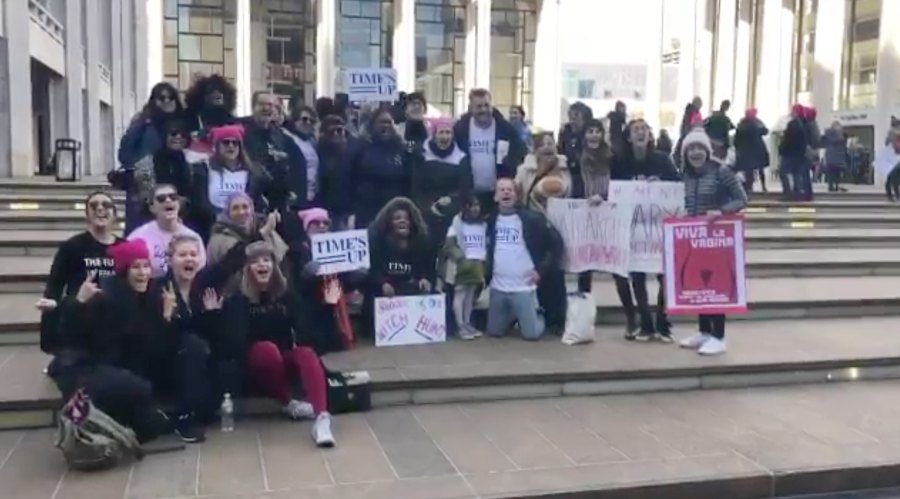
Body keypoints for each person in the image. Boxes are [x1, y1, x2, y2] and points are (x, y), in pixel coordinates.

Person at [53, 238, 212, 443]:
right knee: (148, 422)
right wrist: (79, 302)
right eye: (136, 267)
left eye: (146, 266)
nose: (143, 272)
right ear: (124, 271)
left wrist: (166, 317)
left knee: (192, 345)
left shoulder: (154, 293)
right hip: (108, 369)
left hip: (141, 368)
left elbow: (158, 346)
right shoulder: (107, 298)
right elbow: (71, 335)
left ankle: (184, 417)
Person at [217, 241, 335, 447]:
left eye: (266, 260)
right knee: (267, 351)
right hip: (253, 366)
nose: (262, 265)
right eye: (255, 261)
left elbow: (307, 332)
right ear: (247, 268)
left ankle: (322, 419)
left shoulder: (285, 294)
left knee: (306, 353)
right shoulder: (238, 299)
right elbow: (234, 344)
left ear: (274, 265)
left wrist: (327, 308)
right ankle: (287, 401)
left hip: (282, 359)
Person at [677, 128, 747, 356]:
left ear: (707, 150)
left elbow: (741, 199)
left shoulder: (721, 171)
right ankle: (704, 331)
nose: (695, 153)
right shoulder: (684, 175)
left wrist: (721, 211)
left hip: (718, 239)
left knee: (717, 284)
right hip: (692, 239)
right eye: (691, 149)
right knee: (699, 284)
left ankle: (719, 336)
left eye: (699, 148)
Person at [611, 119, 681, 340]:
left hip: (659, 228)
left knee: (665, 276)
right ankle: (645, 323)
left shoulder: (662, 159)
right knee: (637, 275)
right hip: (632, 228)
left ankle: (663, 321)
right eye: (635, 130)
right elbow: (614, 189)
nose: (641, 133)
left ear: (650, 136)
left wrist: (659, 182)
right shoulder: (619, 162)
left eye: (644, 129)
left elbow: (677, 185)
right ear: (629, 137)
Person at [37, 192, 122, 356]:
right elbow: (55, 284)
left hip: (115, 320)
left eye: (106, 205)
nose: (100, 208)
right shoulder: (72, 246)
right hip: (81, 318)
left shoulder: (125, 247)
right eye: (93, 205)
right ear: (87, 215)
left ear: (114, 214)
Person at [485, 178, 563, 341]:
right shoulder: (490, 221)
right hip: (498, 286)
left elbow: (556, 244)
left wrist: (541, 270)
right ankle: (514, 314)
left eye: (510, 190)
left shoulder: (533, 219)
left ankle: (537, 311)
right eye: (502, 190)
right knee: (494, 332)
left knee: (531, 334)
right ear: (495, 197)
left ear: (516, 196)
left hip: (523, 286)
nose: (506, 192)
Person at [114, 83, 185, 234]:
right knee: (140, 234)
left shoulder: (183, 122)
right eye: (161, 97)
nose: (167, 101)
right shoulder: (143, 122)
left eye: (171, 97)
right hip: (145, 188)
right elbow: (125, 153)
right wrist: (140, 168)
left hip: (175, 185)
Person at [287, 208, 356, 354]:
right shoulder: (296, 250)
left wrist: (356, 274)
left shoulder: (337, 248)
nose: (322, 226)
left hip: (332, 309)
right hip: (308, 312)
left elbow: (345, 283)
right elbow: (291, 284)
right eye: (316, 223)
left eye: (325, 223)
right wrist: (304, 275)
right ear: (307, 227)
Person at [189, 124, 271, 240]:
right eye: (226, 142)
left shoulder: (253, 172)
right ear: (217, 146)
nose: (231, 146)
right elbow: (199, 201)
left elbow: (255, 200)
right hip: (210, 226)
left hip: (244, 226)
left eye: (235, 143)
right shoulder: (203, 169)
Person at [411, 117, 473, 261]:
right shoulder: (421, 154)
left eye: (448, 132)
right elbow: (416, 185)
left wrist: (451, 200)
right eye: (441, 133)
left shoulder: (461, 158)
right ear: (434, 134)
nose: (445, 137)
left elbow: (465, 188)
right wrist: (427, 206)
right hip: (425, 211)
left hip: (451, 212)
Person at [453, 89, 527, 209]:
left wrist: (509, 163)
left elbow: (521, 152)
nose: (483, 110)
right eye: (479, 106)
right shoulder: (461, 128)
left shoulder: (504, 128)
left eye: (486, 105)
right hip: (470, 194)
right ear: (471, 108)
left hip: (498, 194)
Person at [206, 192, 288, 295]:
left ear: (252, 209)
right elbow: (234, 262)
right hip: (234, 296)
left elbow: (282, 260)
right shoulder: (219, 239)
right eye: (235, 208)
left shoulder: (266, 229)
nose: (241, 212)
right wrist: (262, 234)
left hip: (271, 294)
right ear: (227, 213)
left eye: (245, 207)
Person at [348, 107, 412, 228]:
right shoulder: (360, 147)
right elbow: (350, 176)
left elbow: (407, 179)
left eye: (389, 122)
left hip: (394, 209)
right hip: (367, 210)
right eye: (382, 122)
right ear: (373, 124)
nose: (386, 125)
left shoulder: (400, 148)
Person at [571, 119, 614, 293]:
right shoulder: (576, 159)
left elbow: (618, 184)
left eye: (598, 131)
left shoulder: (612, 158)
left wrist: (603, 197)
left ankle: (631, 315)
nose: (594, 135)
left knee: (616, 266)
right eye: (590, 131)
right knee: (585, 266)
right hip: (585, 211)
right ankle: (584, 304)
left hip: (608, 214)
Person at [128, 184, 207, 278]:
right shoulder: (138, 236)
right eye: (161, 199)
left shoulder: (194, 237)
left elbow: (200, 270)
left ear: (178, 204)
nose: (168, 200)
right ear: (152, 208)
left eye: (173, 197)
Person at [441, 195, 487, 340]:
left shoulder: (483, 224)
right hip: (460, 265)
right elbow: (450, 245)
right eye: (472, 205)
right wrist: (460, 258)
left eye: (477, 205)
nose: (475, 209)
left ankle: (467, 323)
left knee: (470, 295)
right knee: (460, 295)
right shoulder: (456, 224)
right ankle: (459, 325)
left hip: (477, 262)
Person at [515, 132, 572, 215]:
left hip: (561, 218)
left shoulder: (567, 167)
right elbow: (518, 197)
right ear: (535, 150)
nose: (547, 147)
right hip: (535, 219)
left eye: (550, 144)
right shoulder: (524, 170)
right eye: (541, 145)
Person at [282, 104, 321, 210]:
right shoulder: (287, 139)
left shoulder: (313, 142)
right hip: (296, 199)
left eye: (311, 121)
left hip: (312, 197)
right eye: (304, 119)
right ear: (295, 121)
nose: (308, 123)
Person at [316, 115, 352, 228]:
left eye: (340, 130)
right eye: (332, 131)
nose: (336, 134)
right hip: (324, 207)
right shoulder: (318, 152)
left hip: (345, 207)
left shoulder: (351, 152)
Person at [184, 74, 237, 145]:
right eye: (211, 91)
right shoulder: (190, 120)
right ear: (202, 98)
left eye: (221, 91)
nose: (218, 94)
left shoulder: (232, 121)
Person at [778, 104, 812, 201]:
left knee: (783, 172)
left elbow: (787, 140)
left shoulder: (792, 124)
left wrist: (781, 150)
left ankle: (787, 193)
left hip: (790, 153)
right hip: (801, 153)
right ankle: (797, 194)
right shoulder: (806, 123)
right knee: (797, 173)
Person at [733, 108, 770, 195]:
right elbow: (765, 131)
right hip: (758, 149)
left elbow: (736, 139)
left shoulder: (742, 124)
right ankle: (763, 186)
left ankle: (749, 188)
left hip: (745, 150)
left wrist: (737, 148)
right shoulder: (756, 123)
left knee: (748, 170)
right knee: (760, 169)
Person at [822, 121, 849, 193]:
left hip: (833, 157)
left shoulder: (829, 135)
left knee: (833, 173)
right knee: (834, 173)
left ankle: (833, 186)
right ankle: (834, 186)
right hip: (834, 157)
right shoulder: (838, 136)